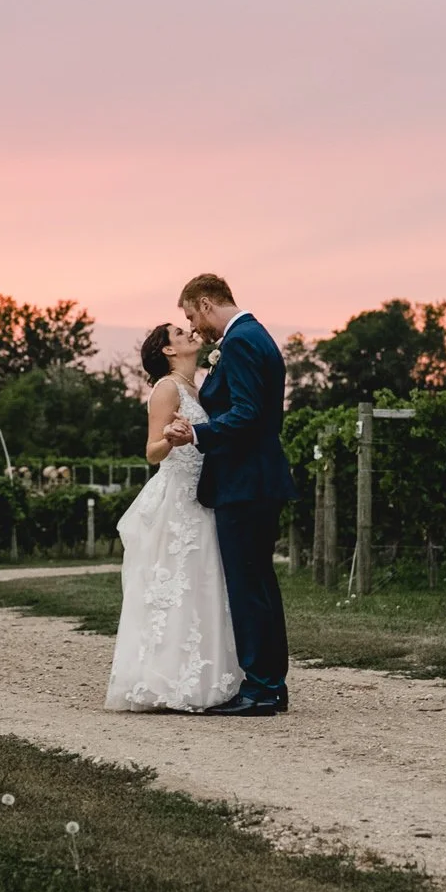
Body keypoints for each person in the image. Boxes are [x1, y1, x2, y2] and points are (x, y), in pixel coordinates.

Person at [162, 273, 294, 716]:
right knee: (259, 585)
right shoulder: (254, 335)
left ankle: (260, 689)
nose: (193, 327)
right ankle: (271, 684)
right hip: (256, 480)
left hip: (244, 483)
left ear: (205, 303)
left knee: (247, 587)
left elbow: (246, 414)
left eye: (190, 316)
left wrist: (197, 435)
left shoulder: (239, 342)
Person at [104, 320, 242, 711]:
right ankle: (164, 679)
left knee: (202, 585)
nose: (189, 334)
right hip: (177, 500)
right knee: (175, 587)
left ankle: (204, 677)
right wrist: (171, 436)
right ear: (168, 350)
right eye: (180, 333)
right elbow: (151, 452)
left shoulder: (198, 388)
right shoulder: (167, 388)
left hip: (202, 497)